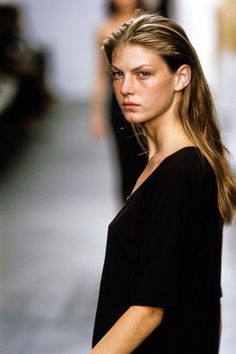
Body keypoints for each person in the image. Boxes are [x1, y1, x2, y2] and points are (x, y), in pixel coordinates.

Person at [90, 12, 236, 354]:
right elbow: (206, 296)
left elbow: (148, 310)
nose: (126, 88)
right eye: (118, 74)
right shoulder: (172, 164)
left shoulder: (179, 174)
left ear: (180, 77)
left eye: (144, 74)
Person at [89, 0, 170, 201]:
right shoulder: (104, 29)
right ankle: (128, 214)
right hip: (119, 104)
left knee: (154, 157)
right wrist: (95, 114)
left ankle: (152, 212)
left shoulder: (151, 24)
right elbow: (100, 74)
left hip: (150, 101)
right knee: (125, 162)